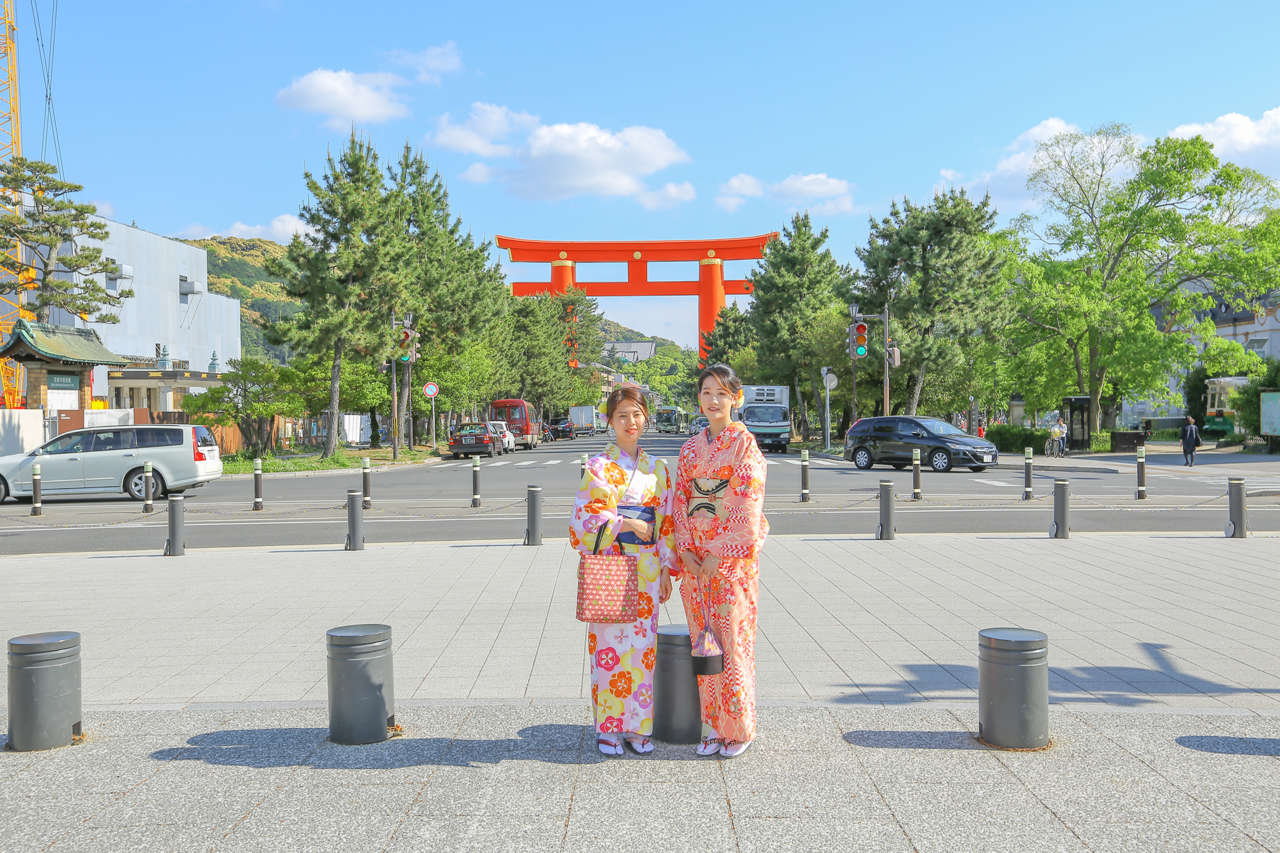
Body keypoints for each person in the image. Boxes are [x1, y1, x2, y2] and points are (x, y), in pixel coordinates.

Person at [569, 385, 677, 757]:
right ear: (609, 421)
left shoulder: (658, 469)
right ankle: (610, 728)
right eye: (622, 416)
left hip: (647, 568)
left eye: (636, 414)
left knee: (644, 649)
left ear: (645, 417)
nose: (630, 422)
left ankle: (637, 727)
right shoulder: (600, 466)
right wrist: (628, 524)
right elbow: (585, 518)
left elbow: (666, 523)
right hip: (613, 565)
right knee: (611, 649)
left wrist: (666, 567)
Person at [673, 363, 769, 759]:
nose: (713, 400)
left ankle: (739, 727)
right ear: (699, 397)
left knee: (732, 644)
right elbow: (679, 500)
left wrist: (717, 552)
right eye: (707, 392)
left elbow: (747, 501)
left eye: (721, 394)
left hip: (730, 566)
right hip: (697, 566)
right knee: (704, 645)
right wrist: (687, 551)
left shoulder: (745, 445)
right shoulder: (690, 448)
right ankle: (711, 727)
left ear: (735, 398)